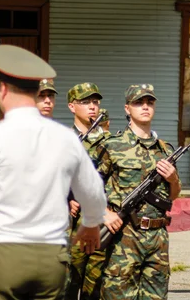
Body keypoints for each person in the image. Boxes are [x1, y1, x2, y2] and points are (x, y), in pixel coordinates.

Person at [0, 44, 106, 300]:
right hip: (52, 256)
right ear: (36, 93)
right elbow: (94, 191)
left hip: (5, 253)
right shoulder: (65, 138)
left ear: (3, 90)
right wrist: (91, 224)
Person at [97, 84, 181, 300]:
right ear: (127, 108)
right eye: (138, 103)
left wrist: (172, 178)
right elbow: (89, 185)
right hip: (124, 236)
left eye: (149, 102)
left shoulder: (166, 150)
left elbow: (173, 195)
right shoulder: (112, 146)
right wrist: (105, 212)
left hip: (158, 238)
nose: (145, 107)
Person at [64, 82, 110, 300]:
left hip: (100, 225)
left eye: (95, 102)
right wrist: (66, 199)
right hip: (70, 227)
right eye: (85, 102)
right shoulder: (62, 140)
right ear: (72, 107)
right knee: (68, 287)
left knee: (96, 290)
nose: (92, 106)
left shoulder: (110, 143)